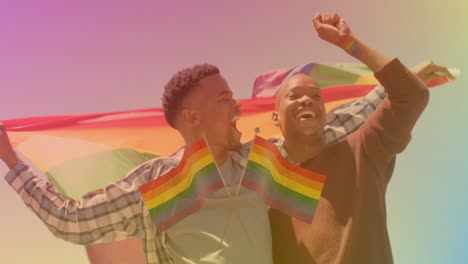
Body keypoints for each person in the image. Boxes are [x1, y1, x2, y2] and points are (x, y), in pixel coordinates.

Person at [0, 12, 453, 264]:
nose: (237, 106)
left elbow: (323, 128)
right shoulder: (163, 184)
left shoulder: (259, 164)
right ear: (193, 117)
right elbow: (70, 221)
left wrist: (391, 83)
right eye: (224, 99)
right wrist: (10, 160)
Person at [266, 12, 451, 264]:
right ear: (275, 118)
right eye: (295, 95)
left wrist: (349, 43)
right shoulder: (267, 194)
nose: (306, 99)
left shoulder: (361, 151)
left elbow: (410, 94)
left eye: (316, 96)